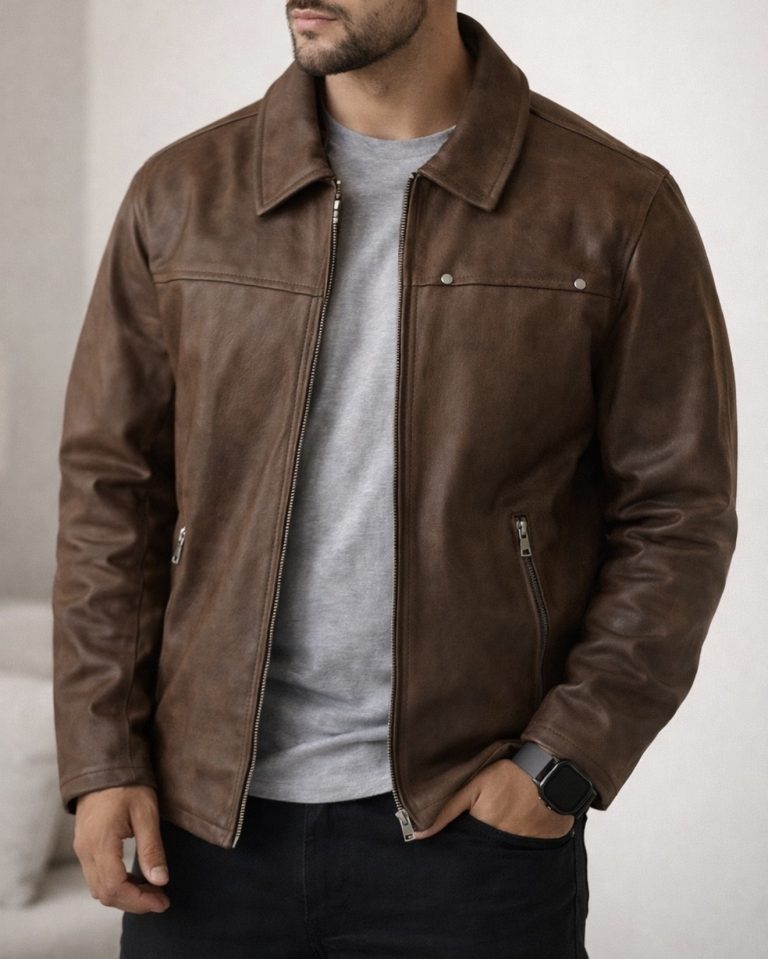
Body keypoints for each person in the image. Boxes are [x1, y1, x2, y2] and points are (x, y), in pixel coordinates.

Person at [51, 3, 738, 957]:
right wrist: (101, 758)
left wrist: (561, 763)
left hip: (470, 842)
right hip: (200, 832)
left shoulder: (614, 206)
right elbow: (112, 493)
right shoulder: (180, 196)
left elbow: (678, 516)